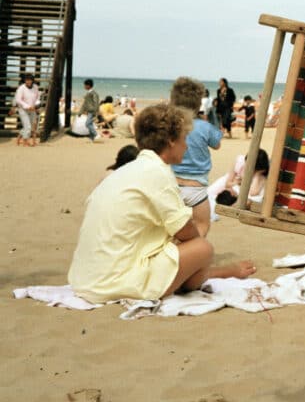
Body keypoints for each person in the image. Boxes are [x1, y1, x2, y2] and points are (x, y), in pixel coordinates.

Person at [67, 103, 256, 304]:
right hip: (113, 282)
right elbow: (188, 235)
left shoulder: (126, 171)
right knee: (202, 248)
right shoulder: (158, 173)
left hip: (85, 278)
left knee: (179, 244)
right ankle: (217, 273)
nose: (187, 145)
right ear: (171, 141)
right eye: (184, 139)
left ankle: (208, 273)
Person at [170, 76, 222, 236]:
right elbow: (217, 144)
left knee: (171, 229)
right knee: (201, 225)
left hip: (171, 184)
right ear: (199, 103)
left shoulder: (170, 125)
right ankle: (192, 253)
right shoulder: (205, 127)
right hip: (196, 188)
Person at [208, 148, 270, 219]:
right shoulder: (240, 162)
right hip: (233, 182)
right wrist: (236, 182)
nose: (247, 167)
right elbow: (227, 184)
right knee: (209, 193)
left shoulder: (260, 176)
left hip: (238, 187)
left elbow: (253, 192)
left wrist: (257, 174)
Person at [15, 72, 40, 147]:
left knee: (31, 126)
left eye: (30, 80)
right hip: (23, 109)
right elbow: (18, 100)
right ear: (24, 80)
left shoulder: (35, 87)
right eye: (26, 80)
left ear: (32, 80)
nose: (28, 81)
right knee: (28, 126)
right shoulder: (21, 88)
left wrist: (35, 106)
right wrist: (27, 106)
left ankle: (19, 137)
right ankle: (25, 142)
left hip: (32, 108)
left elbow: (37, 98)